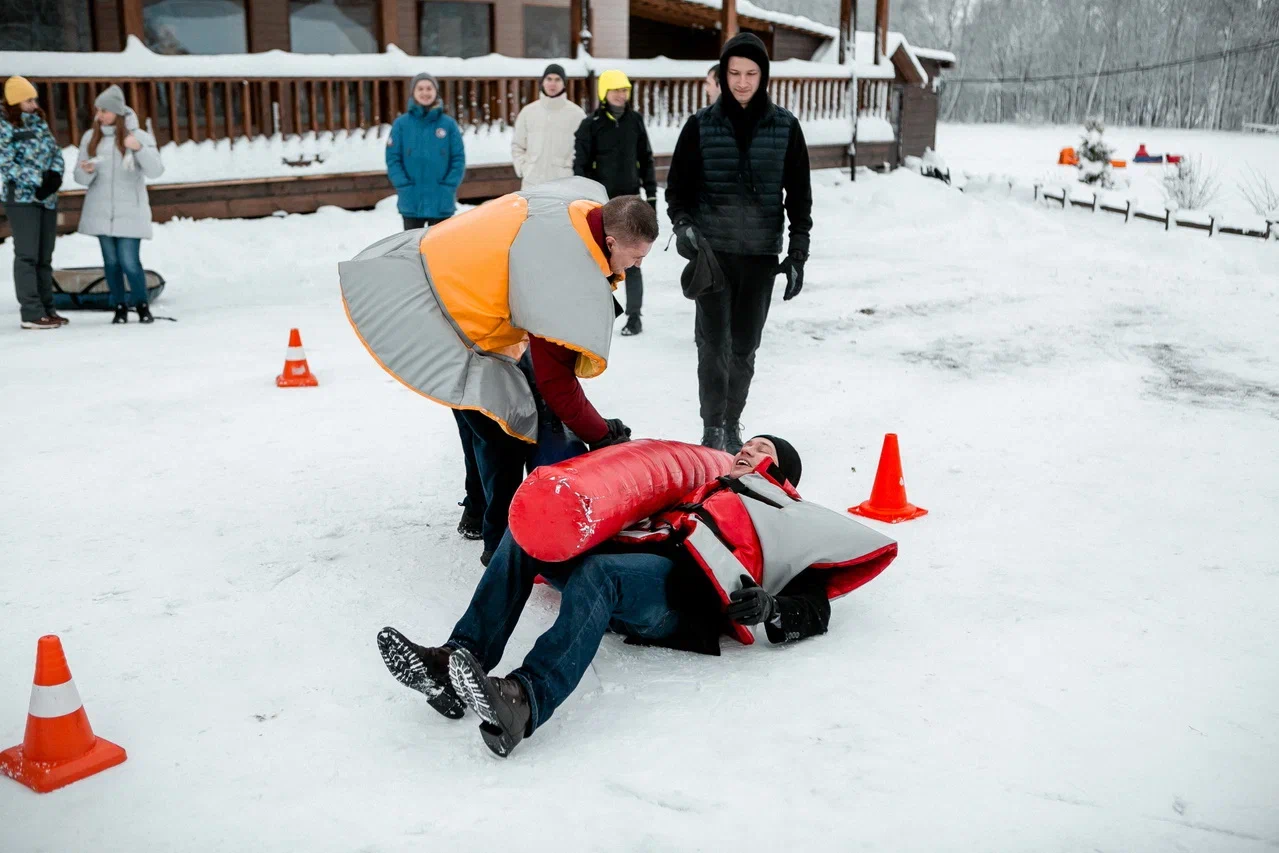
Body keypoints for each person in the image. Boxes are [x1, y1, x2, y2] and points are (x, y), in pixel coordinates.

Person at [377, 434, 898, 757]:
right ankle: (455, 661)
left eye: (764, 450)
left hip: (676, 601)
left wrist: (773, 608)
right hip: (632, 564)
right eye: (749, 442)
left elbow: (815, 605)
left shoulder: (789, 518)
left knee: (602, 573)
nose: (748, 450)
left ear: (783, 475)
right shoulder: (701, 481)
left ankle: (523, 700)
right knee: (526, 535)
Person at [340, 178, 657, 564]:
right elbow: (556, 385)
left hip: (434, 274)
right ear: (609, 242)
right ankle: (498, 548)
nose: (639, 265)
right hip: (436, 311)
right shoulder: (562, 271)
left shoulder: (584, 206)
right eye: (636, 256)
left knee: (475, 413)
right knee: (503, 431)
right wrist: (602, 434)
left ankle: (475, 511)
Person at [666, 34, 813, 453]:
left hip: (761, 257)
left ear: (763, 75)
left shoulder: (785, 127)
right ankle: (713, 427)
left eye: (751, 73)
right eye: (734, 73)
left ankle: (732, 422)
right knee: (713, 345)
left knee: (744, 346)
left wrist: (798, 253)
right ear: (723, 74)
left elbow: (799, 197)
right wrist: (684, 227)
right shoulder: (700, 126)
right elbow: (678, 191)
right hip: (713, 257)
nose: (742, 82)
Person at [573, 70, 657, 337]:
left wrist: (651, 194)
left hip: (631, 200)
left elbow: (646, 158)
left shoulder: (635, 121)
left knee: (632, 258)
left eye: (625, 89)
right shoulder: (591, 125)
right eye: (615, 90)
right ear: (604, 94)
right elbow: (581, 165)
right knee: (599, 259)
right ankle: (597, 314)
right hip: (602, 204)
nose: (621, 94)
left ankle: (634, 316)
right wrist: (584, 198)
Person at [73, 85, 165, 325]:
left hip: (130, 212)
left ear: (116, 112)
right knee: (111, 263)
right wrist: (87, 171)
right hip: (101, 211)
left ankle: (141, 304)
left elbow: (156, 170)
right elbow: (80, 178)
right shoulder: (91, 138)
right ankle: (119, 306)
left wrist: (139, 149)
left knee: (129, 261)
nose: (99, 115)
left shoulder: (139, 137)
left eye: (104, 110)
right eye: (98, 110)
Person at [2, 76, 65, 330]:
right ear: (16, 101)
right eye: (28, 99)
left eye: (33, 98)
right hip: (22, 199)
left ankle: (48, 309)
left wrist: (55, 176)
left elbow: (55, 152)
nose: (33, 103)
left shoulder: (39, 122)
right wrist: (38, 180)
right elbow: (5, 164)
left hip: (47, 198)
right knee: (27, 255)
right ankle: (31, 312)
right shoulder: (4, 126)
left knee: (44, 257)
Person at [386, 72, 465, 231]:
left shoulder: (448, 124)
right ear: (413, 93)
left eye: (429, 88)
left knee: (440, 250)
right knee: (412, 249)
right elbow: (393, 159)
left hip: (441, 198)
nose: (425, 92)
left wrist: (448, 186)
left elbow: (458, 159)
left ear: (435, 92)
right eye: (420, 88)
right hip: (411, 199)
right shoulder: (401, 124)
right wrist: (403, 185)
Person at [511, 64, 585, 190]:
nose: (553, 83)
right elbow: (517, 145)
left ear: (564, 84)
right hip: (532, 183)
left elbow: (582, 148)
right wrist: (524, 168)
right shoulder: (528, 112)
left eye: (557, 79)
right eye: (549, 79)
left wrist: (570, 170)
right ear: (543, 82)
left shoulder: (577, 114)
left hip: (564, 184)